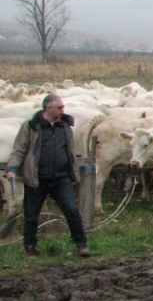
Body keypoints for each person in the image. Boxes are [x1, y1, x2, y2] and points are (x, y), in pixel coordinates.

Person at [4, 93, 90, 260]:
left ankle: (81, 244)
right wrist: (12, 168)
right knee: (31, 214)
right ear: (48, 108)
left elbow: (69, 148)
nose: (62, 110)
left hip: (61, 177)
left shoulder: (65, 125)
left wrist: (71, 168)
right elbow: (19, 149)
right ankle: (30, 247)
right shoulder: (31, 126)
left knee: (72, 210)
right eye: (59, 107)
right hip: (37, 178)